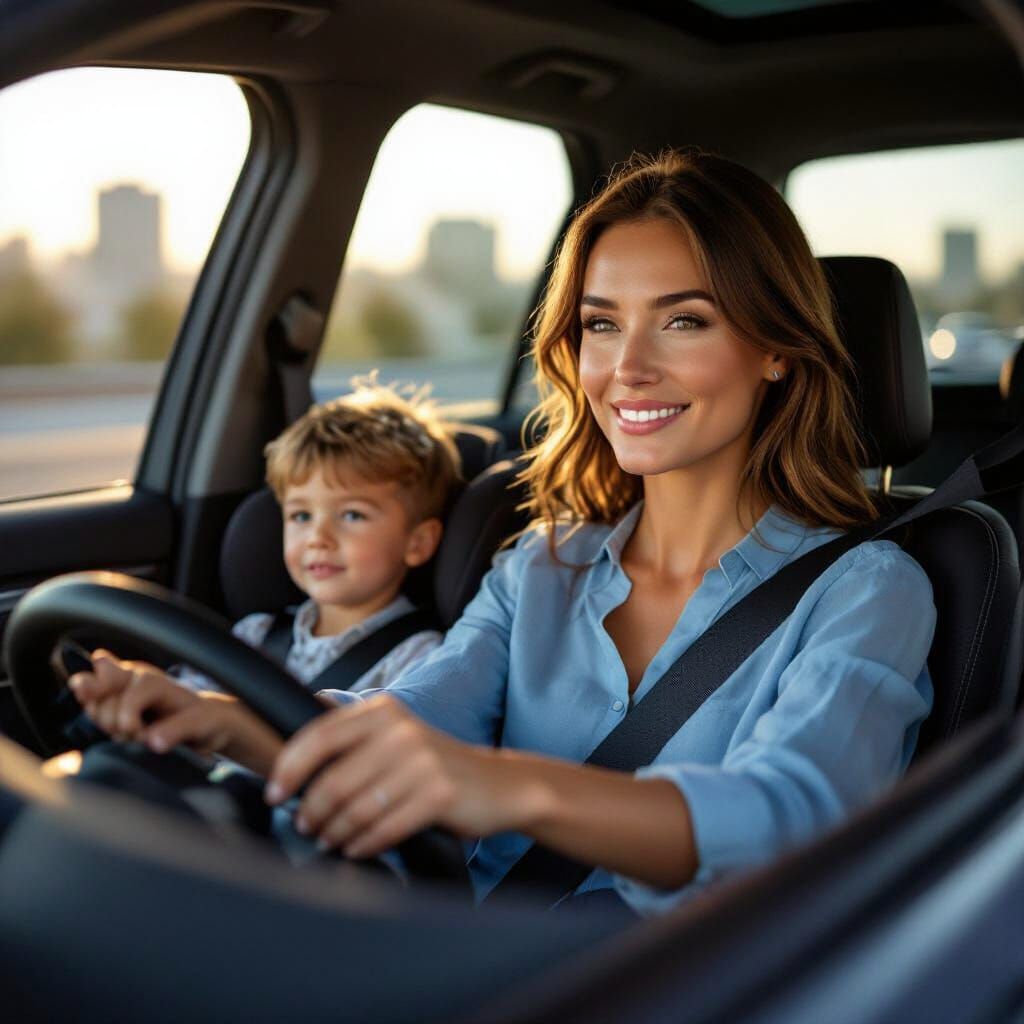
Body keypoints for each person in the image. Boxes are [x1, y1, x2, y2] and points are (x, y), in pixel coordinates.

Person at [73, 149, 935, 917]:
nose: (626, 367)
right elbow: (409, 721)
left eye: (683, 320)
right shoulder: (541, 564)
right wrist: (218, 719)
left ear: (777, 349)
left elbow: (799, 816)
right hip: (463, 951)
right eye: (601, 324)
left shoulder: (867, 588)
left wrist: (514, 788)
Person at [71, 380, 462, 766]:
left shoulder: (419, 659)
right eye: (301, 516)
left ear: (418, 542)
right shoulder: (256, 634)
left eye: (351, 515)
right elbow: (189, 698)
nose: (318, 538)